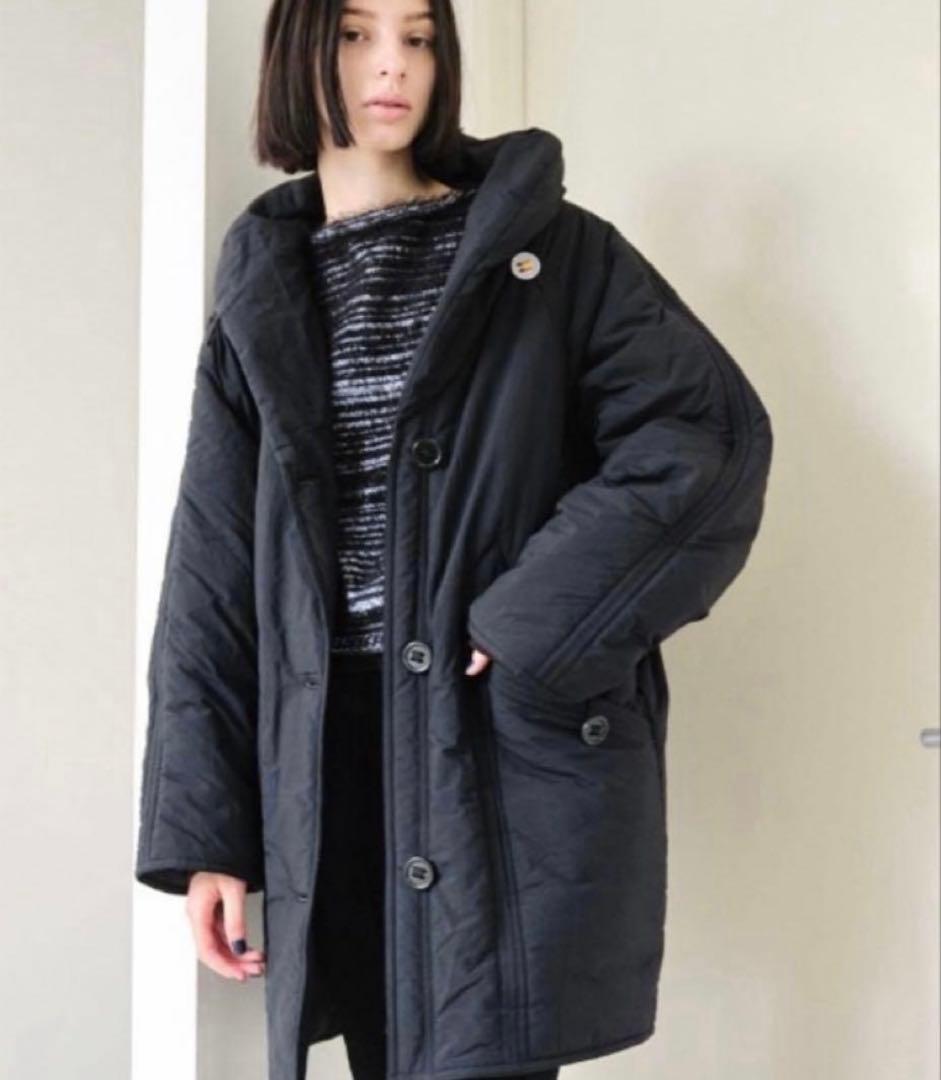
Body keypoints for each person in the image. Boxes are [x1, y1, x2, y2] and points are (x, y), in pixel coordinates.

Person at [135, 1, 774, 1078]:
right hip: (329, 754)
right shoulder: (263, 283)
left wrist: (531, 622)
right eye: (355, 34)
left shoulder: (552, 253)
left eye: (419, 37)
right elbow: (211, 572)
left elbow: (702, 443)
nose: (392, 64)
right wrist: (208, 837)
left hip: (486, 737)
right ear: (299, 52)